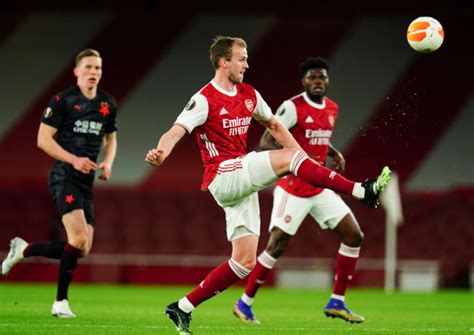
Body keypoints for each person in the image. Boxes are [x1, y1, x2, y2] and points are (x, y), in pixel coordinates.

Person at [145, 36, 390, 334]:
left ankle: (181, 307)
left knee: (244, 262)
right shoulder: (204, 98)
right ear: (224, 62)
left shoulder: (249, 94)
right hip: (222, 174)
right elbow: (175, 131)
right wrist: (161, 152)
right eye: (241, 59)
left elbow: (274, 126)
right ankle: (360, 190)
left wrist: (304, 164)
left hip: (241, 181)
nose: (247, 64)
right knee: (288, 159)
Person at [233, 57, 368, 325]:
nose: (318, 82)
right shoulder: (292, 107)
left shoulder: (332, 108)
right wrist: (293, 164)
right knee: (276, 245)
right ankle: (244, 303)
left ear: (327, 81)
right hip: (293, 188)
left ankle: (337, 302)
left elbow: (315, 139)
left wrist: (333, 152)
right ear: (304, 81)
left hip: (320, 187)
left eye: (322, 77)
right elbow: (267, 141)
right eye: (312, 77)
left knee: (354, 236)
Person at [1, 48, 118, 318]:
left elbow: (110, 138)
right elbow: (43, 139)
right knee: (77, 239)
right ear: (77, 71)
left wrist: (108, 162)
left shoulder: (107, 103)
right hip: (64, 176)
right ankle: (60, 302)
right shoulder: (63, 101)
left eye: (97, 68)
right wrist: (74, 159)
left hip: (87, 180)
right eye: (88, 67)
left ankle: (24, 249)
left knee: (83, 247)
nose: (93, 72)